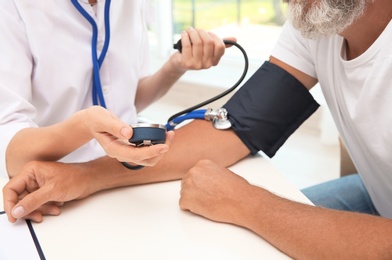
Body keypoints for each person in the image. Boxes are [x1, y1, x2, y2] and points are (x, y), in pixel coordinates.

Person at [3, 0, 392, 258]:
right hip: (376, 192)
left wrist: (250, 204)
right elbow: (240, 126)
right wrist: (84, 176)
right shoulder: (315, 17)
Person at [0, 1, 230, 219]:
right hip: (53, 190)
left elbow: (128, 99)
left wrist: (176, 65)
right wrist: (84, 127)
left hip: (126, 179)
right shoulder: (12, 6)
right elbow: (12, 151)